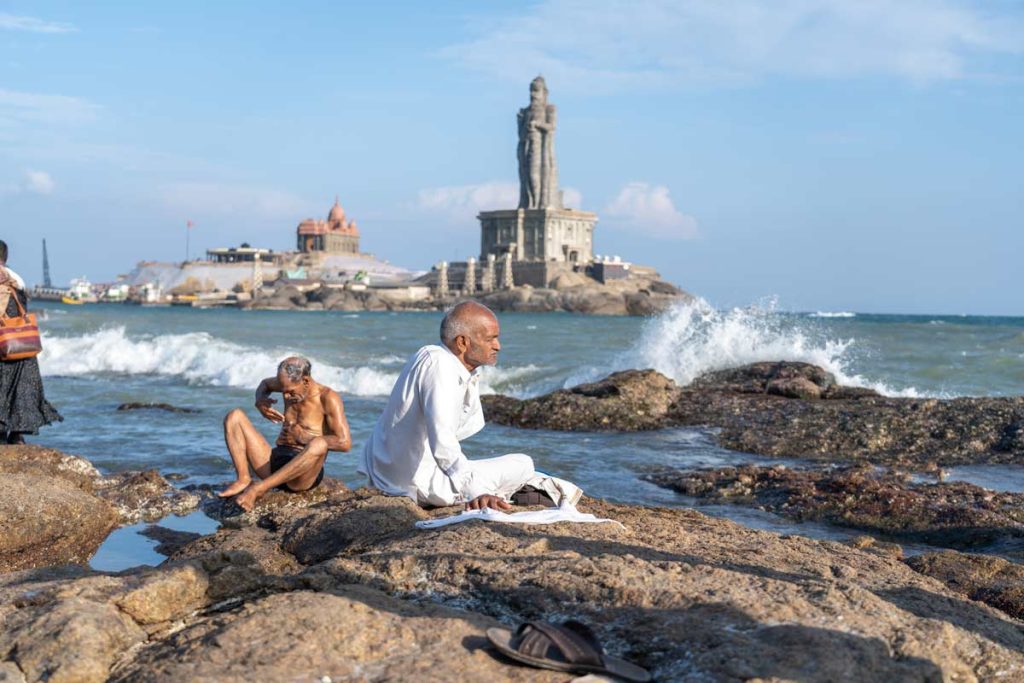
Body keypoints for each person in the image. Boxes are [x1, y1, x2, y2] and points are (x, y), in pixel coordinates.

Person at [360, 300, 537, 510]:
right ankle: (499, 493)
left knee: (511, 468)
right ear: (462, 342)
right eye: (491, 339)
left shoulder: (439, 360)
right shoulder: (440, 365)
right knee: (524, 464)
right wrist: (476, 491)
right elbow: (443, 440)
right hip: (417, 484)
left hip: (390, 475)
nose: (498, 346)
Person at [218, 356, 351, 511]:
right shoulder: (287, 384)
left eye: (290, 392)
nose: (285, 396)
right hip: (274, 463)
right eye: (283, 391)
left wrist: (304, 437)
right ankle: (243, 478)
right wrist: (260, 400)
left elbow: (344, 442)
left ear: (306, 381)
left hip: (300, 476)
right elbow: (265, 384)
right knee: (234, 416)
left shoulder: (328, 398)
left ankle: (258, 489)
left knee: (319, 443)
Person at [0, 240, 62, 444]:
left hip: (3, 346)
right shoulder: (17, 280)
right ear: (6, 257)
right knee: (21, 388)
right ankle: (17, 435)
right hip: (21, 346)